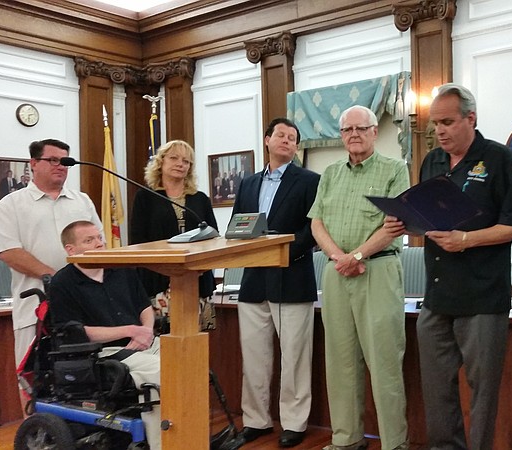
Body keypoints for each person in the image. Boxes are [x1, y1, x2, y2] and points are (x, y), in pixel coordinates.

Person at [410, 83, 512, 450]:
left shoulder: (499, 159)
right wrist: (404, 221)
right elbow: (426, 214)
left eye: (448, 122)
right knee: (436, 391)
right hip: (436, 296)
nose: (440, 131)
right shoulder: (431, 161)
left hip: (482, 297)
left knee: (482, 393)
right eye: (436, 124)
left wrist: (467, 240)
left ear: (471, 118)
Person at [308, 105, 410, 450]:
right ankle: (346, 440)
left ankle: (395, 443)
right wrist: (339, 257)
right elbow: (316, 222)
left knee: (384, 362)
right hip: (336, 273)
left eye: (360, 128)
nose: (353, 134)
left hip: (377, 270)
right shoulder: (330, 173)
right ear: (341, 135)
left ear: (374, 132)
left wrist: (358, 255)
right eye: (347, 129)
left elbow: (393, 226)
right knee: (340, 363)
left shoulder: (396, 169)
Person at [231, 118, 320, 448]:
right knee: (254, 357)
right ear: (267, 140)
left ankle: (295, 423)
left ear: (296, 147)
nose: (286, 140)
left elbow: (314, 230)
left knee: (294, 358)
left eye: (292, 138)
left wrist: (282, 251)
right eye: (280, 135)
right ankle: (255, 419)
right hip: (253, 281)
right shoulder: (248, 183)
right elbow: (239, 226)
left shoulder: (310, 180)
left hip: (292, 276)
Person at [0, 138, 102, 410]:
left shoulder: (82, 201)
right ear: (33, 164)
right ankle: (37, 434)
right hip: (35, 306)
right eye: (53, 160)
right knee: (34, 380)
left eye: (65, 161)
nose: (61, 166)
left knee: (87, 376)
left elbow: (99, 246)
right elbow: (8, 251)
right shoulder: (10, 205)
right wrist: (58, 279)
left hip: (85, 305)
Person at [48, 220, 161, 450]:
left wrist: (146, 331)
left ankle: (193, 434)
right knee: (164, 370)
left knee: (189, 358)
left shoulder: (121, 270)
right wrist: (130, 331)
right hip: (105, 352)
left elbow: (144, 308)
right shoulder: (63, 283)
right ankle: (162, 444)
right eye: (89, 240)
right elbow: (77, 333)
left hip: (145, 340)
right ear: (71, 249)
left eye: (99, 238)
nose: (99, 244)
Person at [129, 140, 218, 322]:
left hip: (198, 280)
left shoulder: (200, 199)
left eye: (186, 161)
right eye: (174, 158)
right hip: (158, 281)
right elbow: (138, 242)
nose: (180, 164)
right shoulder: (146, 197)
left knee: (201, 343)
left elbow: (213, 236)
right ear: (161, 162)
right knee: (164, 343)